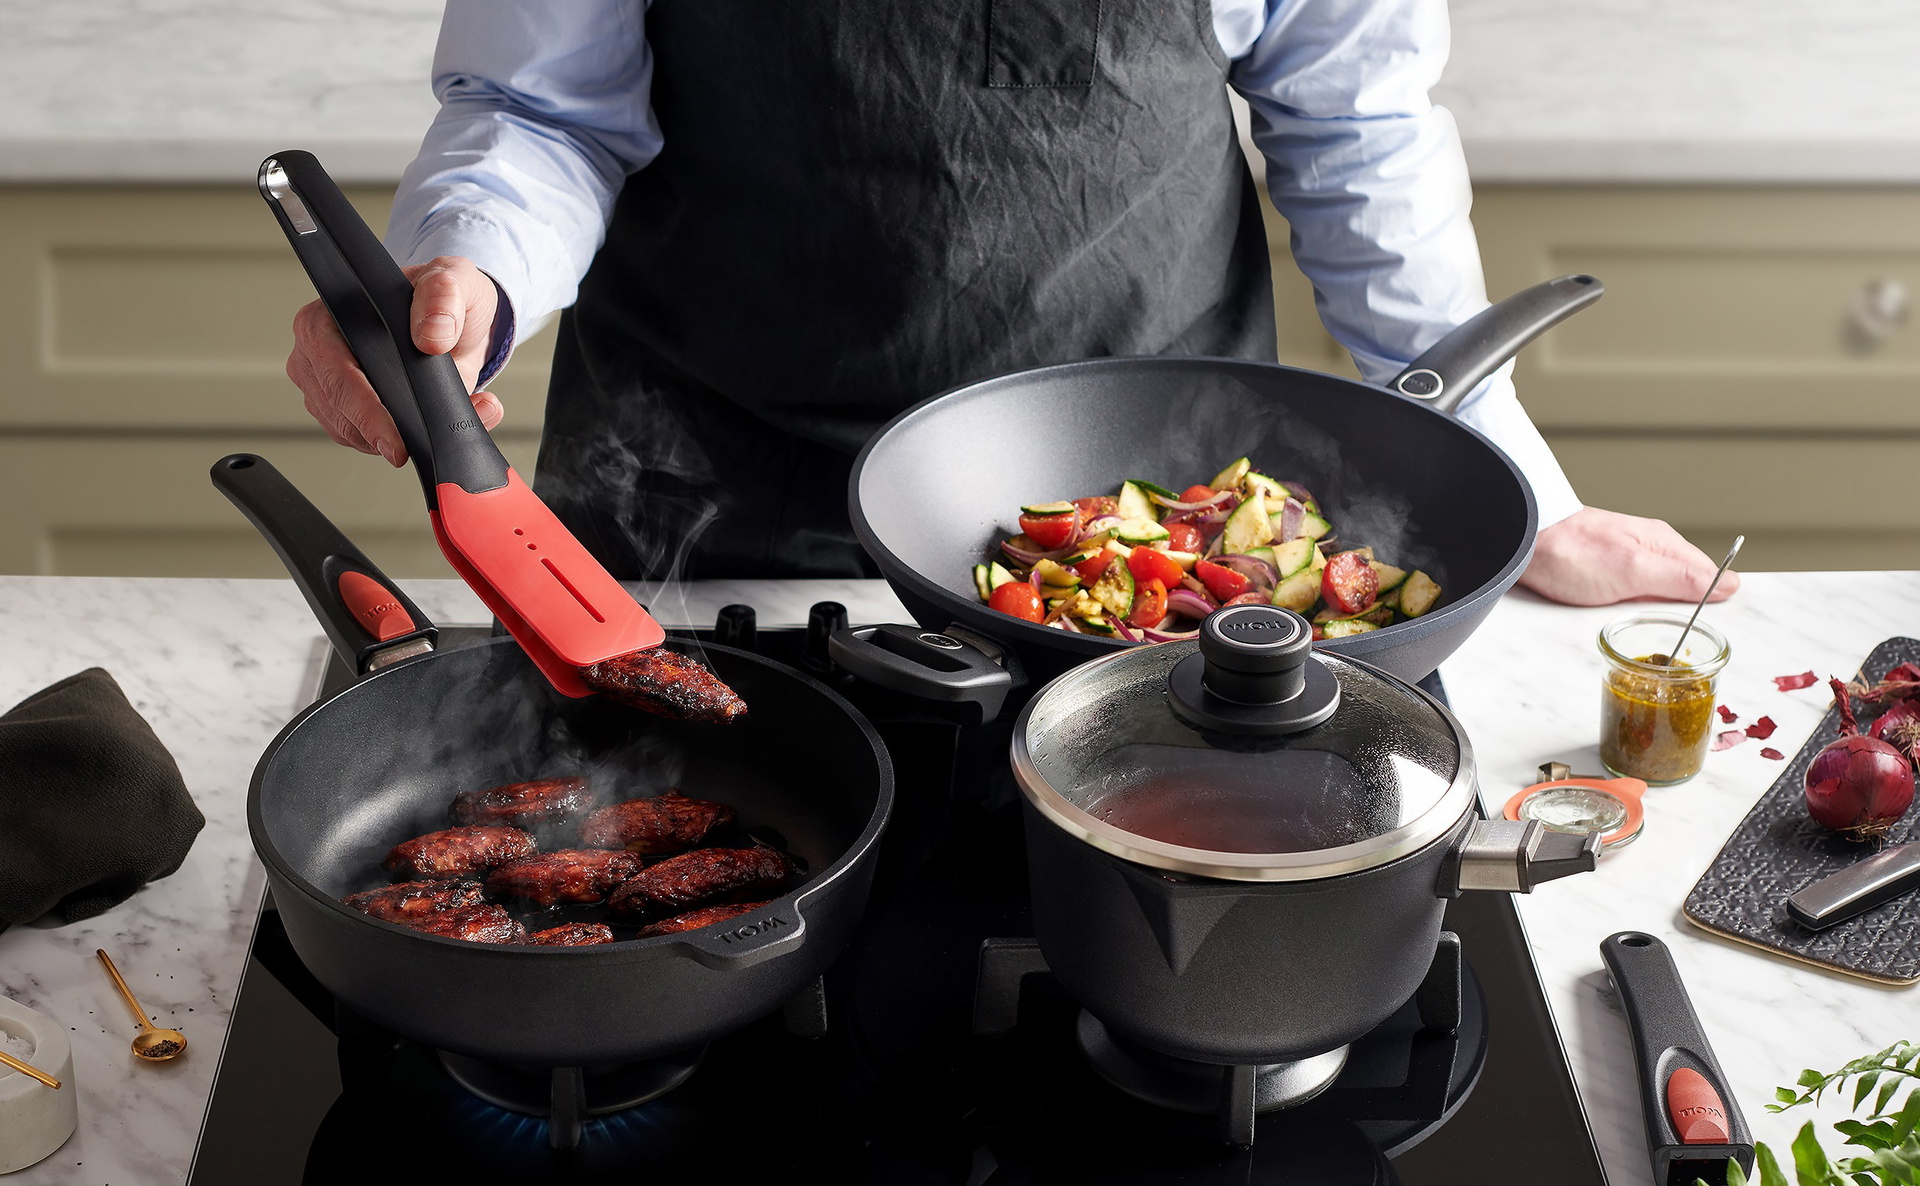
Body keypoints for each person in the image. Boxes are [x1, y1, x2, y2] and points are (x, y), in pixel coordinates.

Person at [286, 0, 1737, 607]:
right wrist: (464, 272)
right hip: (711, 516)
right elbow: (539, 109)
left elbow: (1355, 128)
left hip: (1158, 544)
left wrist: (1515, 491)